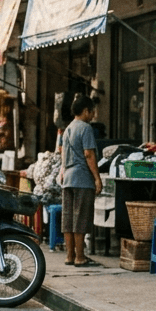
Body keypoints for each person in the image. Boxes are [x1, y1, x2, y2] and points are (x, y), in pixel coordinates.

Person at [57, 94, 103, 267]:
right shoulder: (85, 128)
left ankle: (69, 255)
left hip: (67, 177)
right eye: (92, 112)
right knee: (81, 218)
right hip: (82, 178)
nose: (92, 116)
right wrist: (97, 178)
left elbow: (62, 151)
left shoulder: (68, 128)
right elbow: (89, 154)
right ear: (86, 111)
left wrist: (63, 170)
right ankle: (80, 257)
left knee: (68, 219)